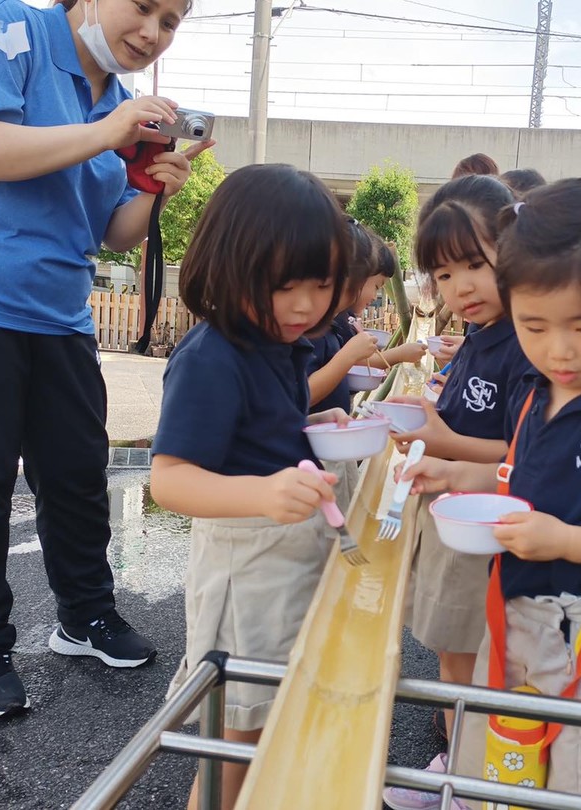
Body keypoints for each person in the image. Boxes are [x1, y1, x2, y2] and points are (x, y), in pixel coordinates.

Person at [0, 0, 213, 719]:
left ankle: (85, 617)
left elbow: (114, 234)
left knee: (77, 475)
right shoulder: (4, 29)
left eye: (171, 21)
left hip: (58, 314)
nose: (152, 32)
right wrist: (107, 135)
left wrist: (154, 187)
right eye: (143, 6)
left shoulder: (121, 108)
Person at [389, 177, 581, 808]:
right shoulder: (538, 389)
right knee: (499, 774)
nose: (558, 350)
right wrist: (454, 477)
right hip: (513, 615)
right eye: (532, 325)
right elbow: (519, 476)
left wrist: (564, 540)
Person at [149, 163, 353, 810]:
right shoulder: (212, 357)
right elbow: (169, 480)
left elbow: (265, 430)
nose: (305, 305)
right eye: (283, 286)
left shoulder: (282, 343)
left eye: (321, 285)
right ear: (228, 266)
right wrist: (262, 494)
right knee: (233, 732)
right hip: (246, 571)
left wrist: (314, 423)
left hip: (287, 557)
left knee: (265, 718)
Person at [386, 174, 531, 757]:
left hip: (483, 529)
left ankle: (469, 777)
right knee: (453, 652)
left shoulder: (525, 342)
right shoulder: (481, 333)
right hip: (452, 513)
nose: (461, 286)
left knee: (471, 660)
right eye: (444, 274)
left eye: (475, 264)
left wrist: (443, 438)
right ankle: (460, 762)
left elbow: (525, 453)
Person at [306, 223, 425, 510]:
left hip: (333, 437)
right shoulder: (310, 330)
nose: (374, 295)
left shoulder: (329, 324)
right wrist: (350, 357)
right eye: (376, 285)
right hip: (314, 454)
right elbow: (302, 394)